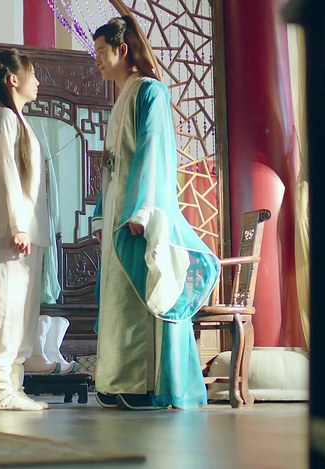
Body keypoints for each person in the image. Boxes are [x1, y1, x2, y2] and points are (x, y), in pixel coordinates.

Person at [90, 16, 220, 410]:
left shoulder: (151, 92)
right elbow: (110, 165)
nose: (97, 60)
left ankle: (144, 385)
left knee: (141, 293)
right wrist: (102, 213)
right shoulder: (121, 98)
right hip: (118, 208)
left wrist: (142, 211)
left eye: (102, 52)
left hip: (137, 211)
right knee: (117, 298)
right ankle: (115, 379)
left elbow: (154, 150)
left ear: (122, 49)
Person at [0, 48, 53, 411]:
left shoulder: (21, 121)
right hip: (9, 227)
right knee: (6, 310)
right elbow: (5, 171)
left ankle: (14, 386)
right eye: (32, 74)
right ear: (13, 79)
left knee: (23, 312)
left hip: (26, 229)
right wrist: (18, 225)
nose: (37, 82)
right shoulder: (3, 117)